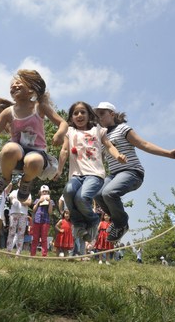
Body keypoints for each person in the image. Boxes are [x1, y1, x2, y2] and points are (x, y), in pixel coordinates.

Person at [0, 69, 68, 202]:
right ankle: (5, 177)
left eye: (19, 83)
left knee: (34, 161)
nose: (14, 85)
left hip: (36, 152)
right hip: (16, 152)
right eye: (12, 85)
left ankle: (26, 182)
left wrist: (60, 133)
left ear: (31, 90)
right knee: (9, 149)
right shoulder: (8, 112)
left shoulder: (40, 107)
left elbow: (62, 123)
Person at [93, 102, 175, 243]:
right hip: (114, 174)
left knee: (108, 193)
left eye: (102, 114)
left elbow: (144, 144)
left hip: (132, 172)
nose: (99, 118)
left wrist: (168, 153)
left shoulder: (123, 129)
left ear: (112, 114)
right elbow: (99, 160)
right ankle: (118, 222)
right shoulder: (101, 136)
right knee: (97, 193)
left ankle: (121, 224)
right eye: (97, 116)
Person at [55, 101, 126, 247]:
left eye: (83, 112)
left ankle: (93, 220)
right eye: (76, 113)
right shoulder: (70, 131)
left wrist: (118, 155)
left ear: (89, 115)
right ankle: (79, 224)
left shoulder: (97, 130)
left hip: (95, 174)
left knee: (82, 197)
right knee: (68, 192)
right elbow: (64, 150)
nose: (79, 115)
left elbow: (108, 145)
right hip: (76, 175)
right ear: (71, 117)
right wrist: (59, 169)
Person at [6, 181, 32, 255]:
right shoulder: (14, 192)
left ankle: (18, 252)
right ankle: (9, 251)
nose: (21, 184)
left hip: (23, 214)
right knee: (11, 232)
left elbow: (29, 202)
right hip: (13, 213)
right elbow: (11, 199)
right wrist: (14, 200)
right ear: (18, 184)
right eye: (20, 183)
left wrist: (21, 201)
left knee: (21, 233)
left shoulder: (27, 193)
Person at [30, 185, 54, 257]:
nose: (45, 193)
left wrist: (49, 202)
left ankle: (44, 255)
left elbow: (50, 212)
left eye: (46, 192)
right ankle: (32, 254)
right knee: (35, 239)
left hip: (45, 221)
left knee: (44, 239)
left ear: (48, 192)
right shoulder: (37, 200)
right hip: (37, 221)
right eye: (43, 191)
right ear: (40, 192)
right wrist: (38, 203)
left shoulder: (51, 201)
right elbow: (33, 210)